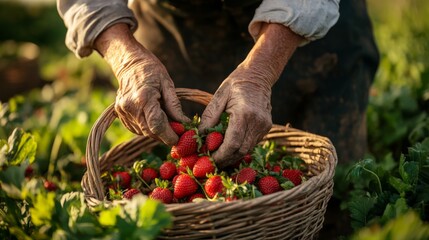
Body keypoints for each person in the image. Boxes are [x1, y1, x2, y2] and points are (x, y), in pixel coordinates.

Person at [57, 0, 379, 167]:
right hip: (179, 27)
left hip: (309, 27)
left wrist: (260, 72)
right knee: (188, 206)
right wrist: (127, 59)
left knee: (332, 189)